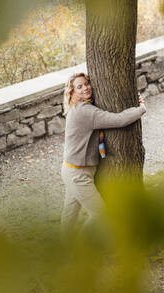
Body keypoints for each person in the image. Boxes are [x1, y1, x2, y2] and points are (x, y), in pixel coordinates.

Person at [60, 72, 146, 242]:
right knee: (100, 214)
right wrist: (141, 109)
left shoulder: (78, 107)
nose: (85, 88)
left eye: (86, 84)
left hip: (72, 170)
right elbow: (119, 120)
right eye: (79, 86)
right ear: (72, 92)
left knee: (70, 212)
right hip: (78, 174)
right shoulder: (84, 111)